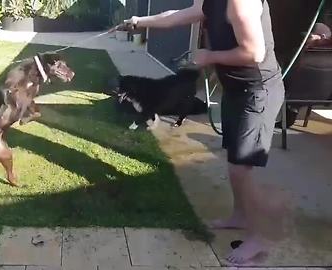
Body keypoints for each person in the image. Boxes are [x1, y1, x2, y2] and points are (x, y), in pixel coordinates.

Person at [113, 0, 286, 264]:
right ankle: (240, 215)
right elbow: (178, 15)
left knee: (241, 168)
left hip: (257, 92)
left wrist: (210, 56)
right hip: (237, 91)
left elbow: (255, 53)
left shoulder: (239, 2)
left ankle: (258, 237)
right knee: (235, 162)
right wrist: (140, 21)